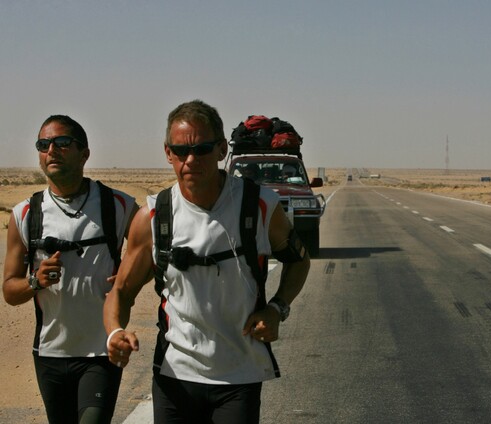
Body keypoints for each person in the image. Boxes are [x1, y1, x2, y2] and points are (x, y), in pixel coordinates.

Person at [104, 99, 310, 423]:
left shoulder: (258, 206)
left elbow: (299, 261)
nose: (190, 160)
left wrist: (277, 309)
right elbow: (121, 290)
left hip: (239, 376)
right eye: (180, 151)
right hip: (174, 377)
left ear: (221, 149)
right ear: (168, 152)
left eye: (201, 149)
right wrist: (115, 332)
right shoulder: (154, 216)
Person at [2, 115, 138, 424]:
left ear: (84, 154)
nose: (51, 150)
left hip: (101, 351)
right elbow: (9, 290)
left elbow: (151, 252)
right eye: (43, 145)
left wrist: (129, 276)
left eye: (62, 143)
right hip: (50, 354)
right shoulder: (26, 214)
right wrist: (36, 281)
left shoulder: (118, 205)